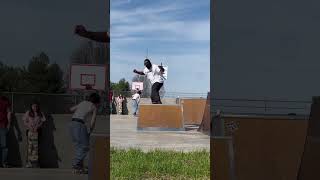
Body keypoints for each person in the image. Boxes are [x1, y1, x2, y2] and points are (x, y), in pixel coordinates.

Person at [69, 93, 100, 174]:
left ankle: (79, 167)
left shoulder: (83, 102)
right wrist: (90, 130)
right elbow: (92, 122)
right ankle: (75, 164)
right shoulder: (93, 107)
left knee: (78, 146)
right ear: (97, 102)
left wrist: (81, 109)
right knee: (85, 146)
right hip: (79, 125)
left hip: (72, 124)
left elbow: (71, 109)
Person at [22, 101, 46, 168]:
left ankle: (36, 163)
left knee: (36, 147)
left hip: (37, 131)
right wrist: (29, 127)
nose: (34, 108)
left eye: (36, 106)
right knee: (30, 147)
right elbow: (24, 121)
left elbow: (42, 121)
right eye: (33, 106)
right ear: (31, 106)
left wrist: (37, 127)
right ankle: (28, 162)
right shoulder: (28, 112)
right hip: (29, 131)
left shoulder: (40, 113)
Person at [0, 96, 11, 168]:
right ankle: (3, 163)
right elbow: (9, 113)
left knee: (4, 146)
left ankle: (4, 163)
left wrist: (9, 124)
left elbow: (9, 113)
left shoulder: (5, 101)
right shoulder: (5, 101)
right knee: (4, 146)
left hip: (2, 125)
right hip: (3, 126)